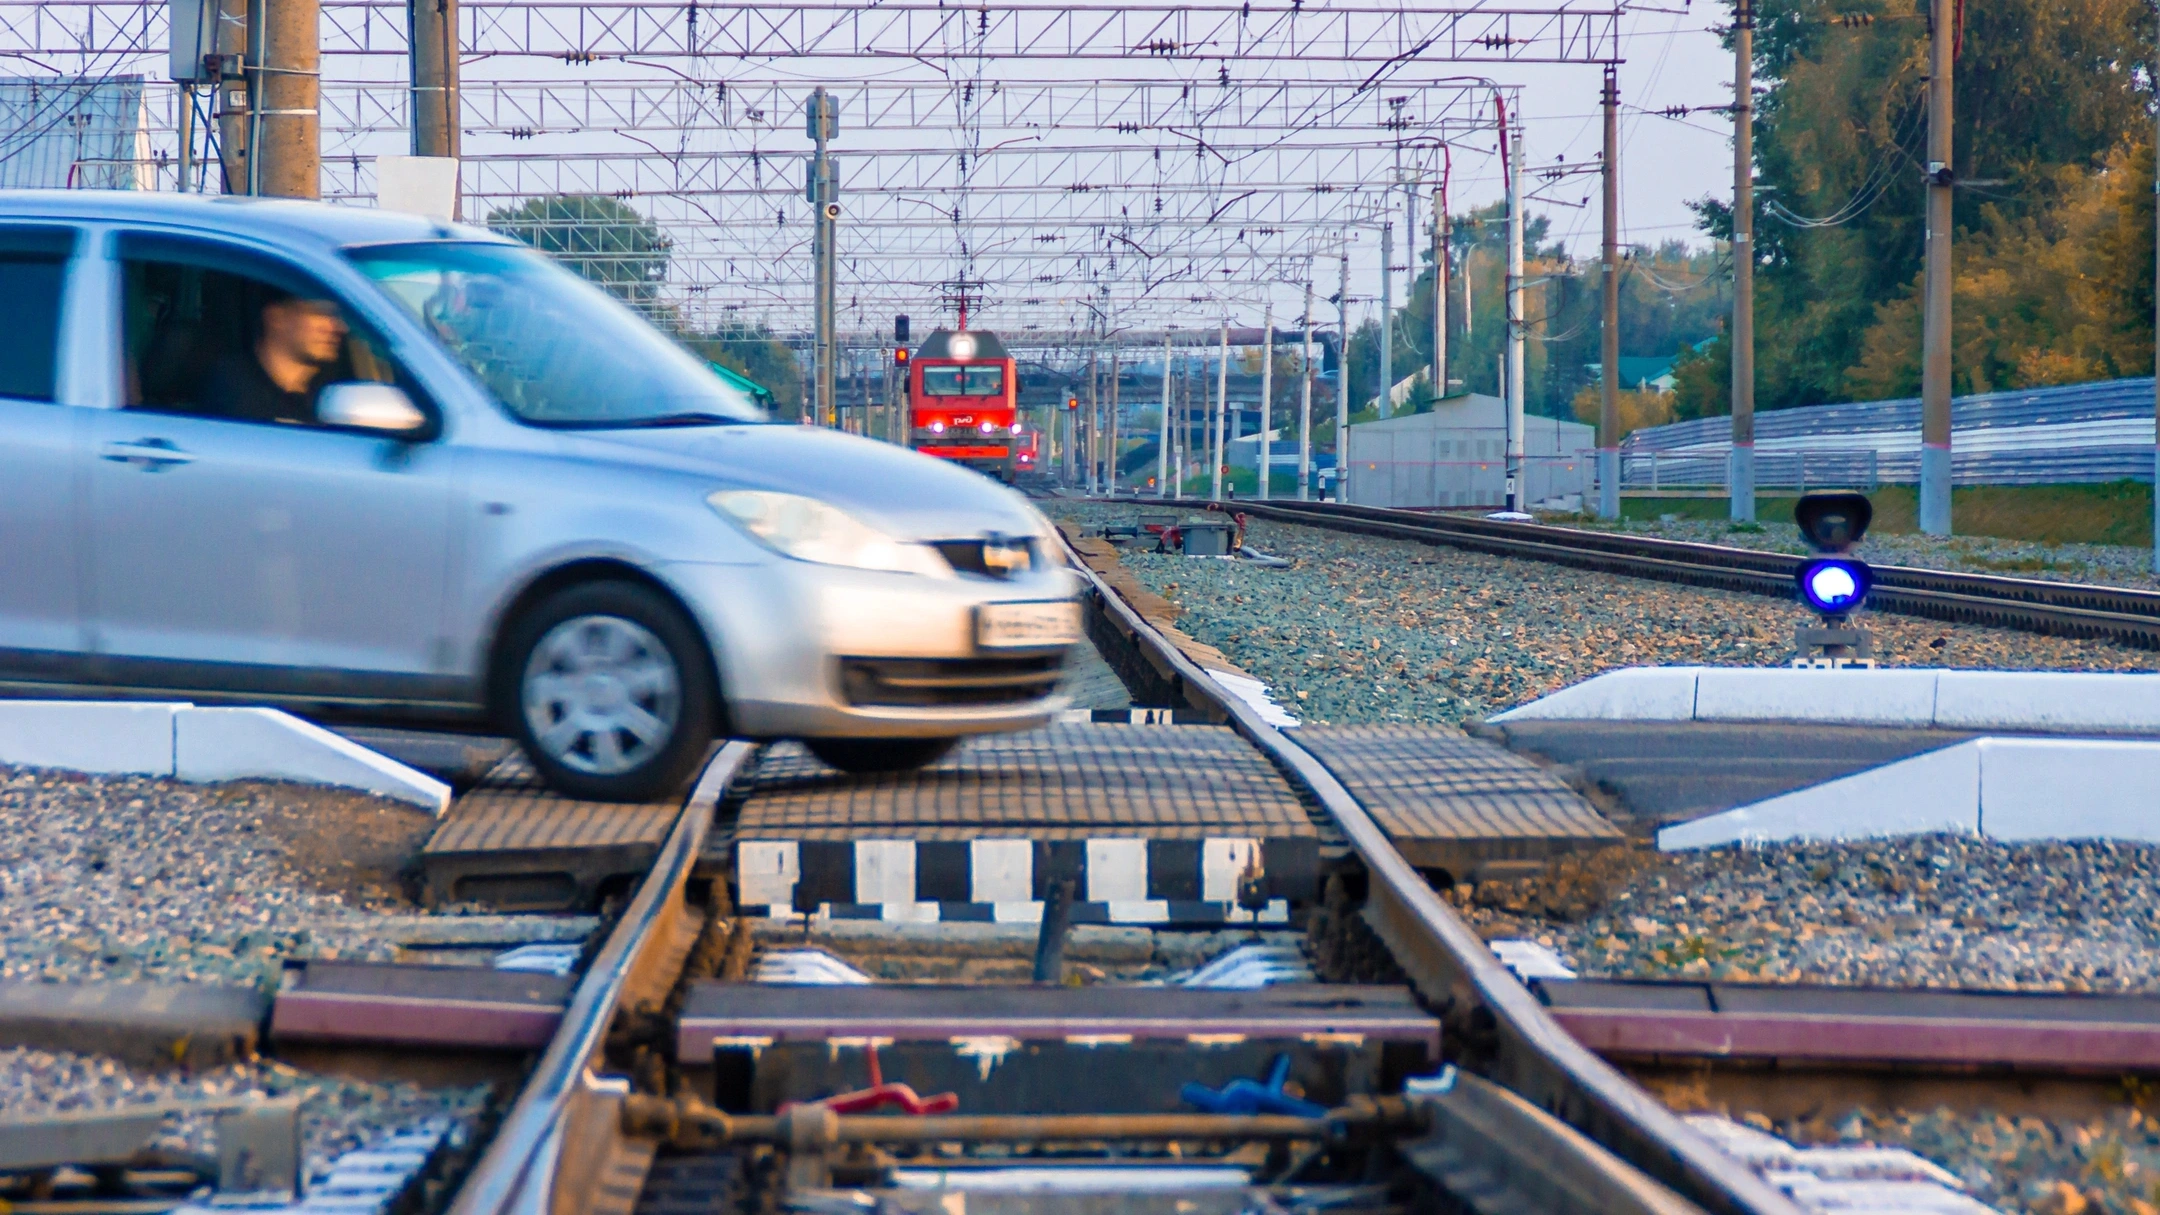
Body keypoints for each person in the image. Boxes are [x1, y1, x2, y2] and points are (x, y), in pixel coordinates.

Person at [197, 288, 348, 424]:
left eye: (337, 316)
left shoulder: (336, 392)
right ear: (277, 317)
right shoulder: (232, 391)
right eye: (319, 313)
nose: (338, 327)